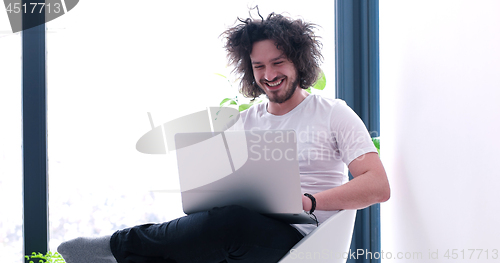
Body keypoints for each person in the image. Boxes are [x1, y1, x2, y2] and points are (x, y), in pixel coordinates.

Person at [57, 11, 390, 263]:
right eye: (259, 66)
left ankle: (116, 247)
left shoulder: (333, 113)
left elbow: (377, 185)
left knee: (229, 223)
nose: (269, 75)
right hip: (246, 231)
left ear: (299, 61)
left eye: (278, 62)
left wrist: (310, 201)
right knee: (218, 222)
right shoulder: (243, 122)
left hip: (306, 241)